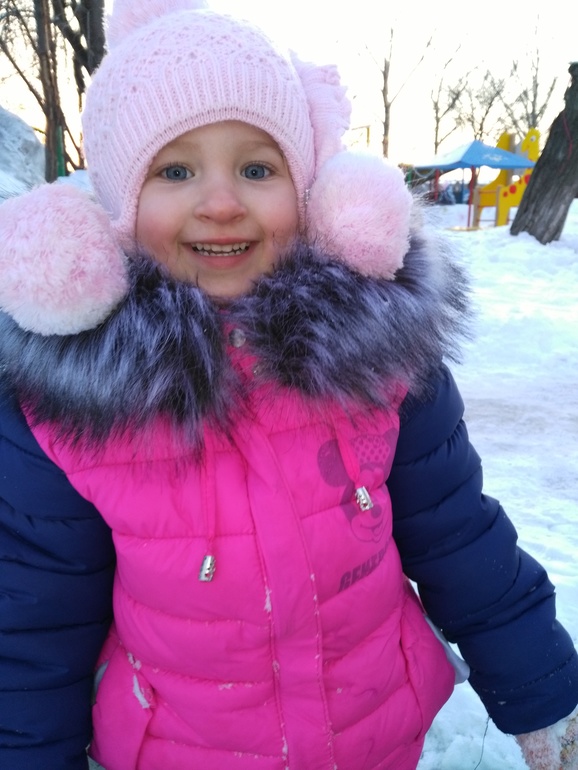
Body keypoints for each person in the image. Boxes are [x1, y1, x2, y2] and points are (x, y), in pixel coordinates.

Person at [0, 1, 577, 768]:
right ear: (116, 205)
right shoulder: (71, 408)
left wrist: (544, 692)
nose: (221, 202)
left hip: (374, 738)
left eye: (256, 169)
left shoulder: (375, 363)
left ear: (311, 196)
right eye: (175, 171)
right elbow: (34, 632)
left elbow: (459, 537)